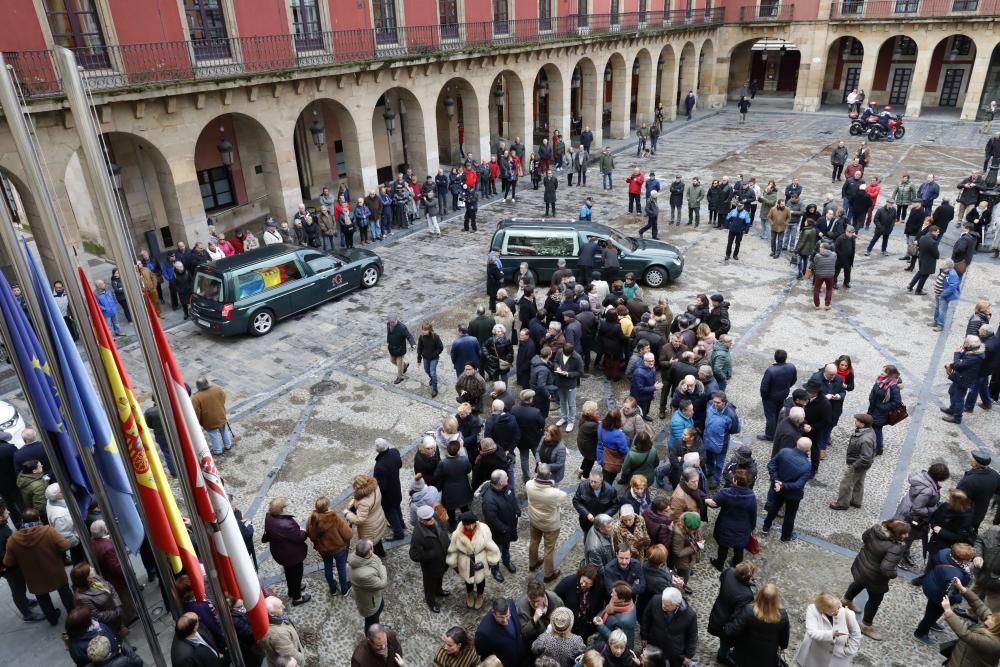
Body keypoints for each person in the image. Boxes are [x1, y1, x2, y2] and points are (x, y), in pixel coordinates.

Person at [2, 508, 73, 625]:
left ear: (22, 521)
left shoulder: (13, 540)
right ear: (39, 518)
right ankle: (73, 615)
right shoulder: (48, 531)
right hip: (55, 571)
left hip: (34, 577)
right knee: (65, 592)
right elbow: (65, 545)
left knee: (42, 598)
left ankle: (52, 619)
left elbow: (8, 562)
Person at [842, 519, 910, 640]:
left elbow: (864, 537)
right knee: (874, 601)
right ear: (895, 534)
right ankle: (866, 626)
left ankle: (846, 601)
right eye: (903, 533)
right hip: (875, 577)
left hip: (862, 565)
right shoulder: (896, 547)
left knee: (858, 583)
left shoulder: (875, 530)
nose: (907, 536)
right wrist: (894, 574)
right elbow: (886, 568)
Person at [915, 543, 975, 645]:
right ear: (963, 560)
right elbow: (950, 593)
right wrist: (958, 599)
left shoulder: (945, 552)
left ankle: (932, 623)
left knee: (932, 611)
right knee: (932, 614)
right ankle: (921, 633)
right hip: (938, 595)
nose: (970, 561)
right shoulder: (955, 575)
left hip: (933, 583)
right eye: (969, 559)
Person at [723, 583, 790, 667]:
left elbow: (732, 630)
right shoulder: (782, 616)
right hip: (767, 657)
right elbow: (784, 641)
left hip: (745, 653)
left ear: (760, 595)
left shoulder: (749, 611)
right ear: (776, 599)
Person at [261, 497, 311, 607]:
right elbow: (299, 537)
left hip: (280, 552)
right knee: (297, 574)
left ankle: (292, 590)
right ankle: (297, 598)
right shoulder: (286, 525)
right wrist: (303, 531)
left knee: (289, 572)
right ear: (283, 509)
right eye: (285, 506)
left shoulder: (269, 516)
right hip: (292, 555)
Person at [447, 512, 502, 610]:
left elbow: (490, 545)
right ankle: (469, 594)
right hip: (465, 562)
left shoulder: (484, 530)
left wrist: (491, 562)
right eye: (468, 524)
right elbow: (453, 549)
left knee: (481, 581)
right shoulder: (456, 534)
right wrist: (454, 564)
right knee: (468, 581)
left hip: (480, 560)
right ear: (463, 524)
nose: (471, 527)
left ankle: (480, 596)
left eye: (473, 523)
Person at [761, 438, 812, 541]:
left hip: (777, 488)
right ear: (808, 450)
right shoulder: (807, 466)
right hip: (792, 494)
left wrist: (776, 481)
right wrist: (783, 485)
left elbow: (771, 465)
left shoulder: (784, 451)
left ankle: (765, 527)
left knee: (773, 508)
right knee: (790, 515)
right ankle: (785, 536)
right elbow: (798, 485)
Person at [705, 468, 757, 569]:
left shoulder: (725, 493)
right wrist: (753, 528)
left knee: (723, 547)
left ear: (736, 481)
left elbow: (714, 504)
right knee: (739, 549)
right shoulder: (751, 496)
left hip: (725, 526)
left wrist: (705, 500)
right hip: (743, 528)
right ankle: (736, 566)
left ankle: (719, 564)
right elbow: (753, 514)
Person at [707, 560, 756, 665]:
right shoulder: (747, 594)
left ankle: (723, 653)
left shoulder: (729, 571)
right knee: (725, 641)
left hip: (717, 611)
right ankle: (722, 656)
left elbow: (721, 578)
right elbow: (737, 614)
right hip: (726, 621)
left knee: (722, 638)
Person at [941, 577, 1000, 664]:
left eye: (993, 619)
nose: (989, 617)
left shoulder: (993, 644)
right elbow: (980, 606)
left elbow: (966, 635)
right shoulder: (992, 625)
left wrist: (949, 612)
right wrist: (963, 589)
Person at [526, 464, 567, 582]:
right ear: (549, 476)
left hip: (534, 520)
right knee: (549, 549)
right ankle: (548, 575)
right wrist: (552, 483)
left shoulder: (529, 485)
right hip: (550, 525)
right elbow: (563, 496)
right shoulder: (555, 493)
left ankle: (533, 563)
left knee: (534, 541)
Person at [795, 593, 861, 666]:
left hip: (838, 659)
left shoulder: (848, 614)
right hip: (814, 656)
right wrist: (832, 634)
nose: (837, 612)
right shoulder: (813, 610)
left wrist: (849, 651)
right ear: (823, 610)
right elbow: (812, 633)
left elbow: (856, 634)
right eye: (832, 612)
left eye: (838, 608)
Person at [305, 495, 353, 596]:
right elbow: (348, 534)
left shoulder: (311, 519)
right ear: (327, 507)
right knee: (341, 568)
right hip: (338, 549)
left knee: (327, 567)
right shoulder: (334, 518)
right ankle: (344, 589)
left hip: (323, 550)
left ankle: (333, 589)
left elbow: (311, 536)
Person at [829, 414, 876, 510]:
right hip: (863, 465)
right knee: (859, 482)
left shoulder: (865, 439)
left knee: (846, 483)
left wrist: (854, 466)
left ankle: (842, 504)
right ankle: (856, 501)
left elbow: (865, 457)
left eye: (857, 420)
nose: (855, 421)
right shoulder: (869, 431)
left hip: (858, 464)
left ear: (862, 424)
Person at [409, 503, 451, 613]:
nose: (431, 520)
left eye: (431, 517)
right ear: (421, 520)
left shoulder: (434, 517)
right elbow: (414, 555)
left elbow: (443, 526)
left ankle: (439, 590)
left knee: (440, 577)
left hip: (443, 560)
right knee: (429, 584)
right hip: (431, 567)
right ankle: (430, 601)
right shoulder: (418, 535)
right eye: (427, 519)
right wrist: (431, 554)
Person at [641, 587, 698, 664]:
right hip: (655, 645)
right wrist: (644, 636)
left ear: (676, 605)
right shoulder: (655, 600)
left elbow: (692, 636)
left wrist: (688, 655)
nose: (663, 606)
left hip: (674, 651)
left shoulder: (690, 615)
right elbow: (646, 618)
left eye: (667, 605)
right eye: (663, 602)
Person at [480, 469, 520, 576]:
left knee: (506, 547)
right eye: (506, 477)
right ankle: (495, 569)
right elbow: (491, 519)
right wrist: (504, 529)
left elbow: (513, 499)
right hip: (498, 532)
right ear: (500, 482)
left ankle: (506, 561)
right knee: (496, 551)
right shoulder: (489, 500)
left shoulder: (507, 488)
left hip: (508, 527)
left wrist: (517, 510)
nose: (508, 478)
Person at [69, 562, 122, 633]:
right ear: (86, 578)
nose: (93, 568)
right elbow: (96, 616)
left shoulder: (95, 578)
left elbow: (110, 587)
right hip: (106, 626)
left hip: (115, 615)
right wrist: (116, 613)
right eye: (90, 569)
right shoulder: (81, 598)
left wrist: (118, 605)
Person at [943, 335, 985, 424]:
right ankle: (952, 409)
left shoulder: (975, 357)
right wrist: (962, 351)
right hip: (960, 377)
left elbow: (959, 365)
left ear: (969, 345)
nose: (964, 343)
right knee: (952, 391)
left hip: (964, 380)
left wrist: (957, 353)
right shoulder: (973, 350)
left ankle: (957, 417)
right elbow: (964, 357)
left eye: (965, 342)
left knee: (959, 398)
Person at [347, 539, 387, 632]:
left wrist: (368, 545)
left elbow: (372, 556)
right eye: (371, 550)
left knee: (375, 617)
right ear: (369, 552)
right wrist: (382, 567)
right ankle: (370, 638)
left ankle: (375, 629)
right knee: (371, 622)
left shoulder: (357, 555)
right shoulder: (364, 575)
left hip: (374, 597)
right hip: (370, 603)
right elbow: (382, 583)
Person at [758, 349, 798, 441]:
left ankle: (770, 435)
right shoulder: (791, 367)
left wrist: (764, 397)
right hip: (783, 394)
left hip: (771, 397)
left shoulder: (771, 370)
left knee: (771, 416)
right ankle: (776, 430)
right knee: (777, 413)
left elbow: (764, 387)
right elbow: (794, 380)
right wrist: (787, 387)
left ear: (775, 358)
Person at [958, 448, 1000, 533]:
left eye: (973, 459)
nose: (971, 459)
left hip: (965, 516)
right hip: (980, 514)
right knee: (973, 532)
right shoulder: (995, 475)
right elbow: (997, 491)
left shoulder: (968, 481)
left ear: (975, 464)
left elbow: (958, 500)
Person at [345, 474, 388, 556]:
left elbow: (359, 520)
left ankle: (373, 560)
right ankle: (382, 553)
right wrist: (355, 500)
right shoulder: (375, 487)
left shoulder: (363, 502)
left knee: (369, 546)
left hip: (369, 527)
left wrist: (347, 514)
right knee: (377, 540)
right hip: (378, 517)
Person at [475, 597, 523, 667]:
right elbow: (482, 653)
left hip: (520, 655)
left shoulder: (511, 603)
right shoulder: (483, 633)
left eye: (507, 616)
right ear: (493, 612)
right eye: (501, 617)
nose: (505, 621)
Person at [866, 364, 902, 455]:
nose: (882, 372)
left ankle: (878, 448)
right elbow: (874, 389)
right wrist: (871, 398)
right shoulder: (880, 379)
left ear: (890, 374)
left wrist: (883, 407)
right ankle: (872, 445)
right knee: (871, 427)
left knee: (877, 429)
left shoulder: (893, 386)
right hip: (873, 408)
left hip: (881, 413)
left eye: (884, 371)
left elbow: (897, 402)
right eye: (882, 370)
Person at [373, 438, 405, 541]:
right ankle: (401, 524)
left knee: (391, 513)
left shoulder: (380, 466)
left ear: (377, 450)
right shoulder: (395, 452)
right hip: (396, 487)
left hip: (388, 496)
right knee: (397, 507)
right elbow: (400, 464)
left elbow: (382, 486)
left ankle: (398, 533)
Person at [595, 581, 639, 652]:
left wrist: (600, 626)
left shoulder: (625, 621)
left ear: (622, 599)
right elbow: (607, 611)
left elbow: (617, 639)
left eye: (614, 594)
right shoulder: (626, 602)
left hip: (612, 649)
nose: (611, 594)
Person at [259, 596, 304, 666]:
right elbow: (291, 655)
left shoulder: (273, 619)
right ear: (271, 613)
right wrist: (302, 660)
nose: (284, 607)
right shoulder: (278, 635)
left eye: (282, 604)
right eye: (280, 607)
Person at [191, 377, 231, 456]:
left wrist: (199, 422)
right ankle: (228, 445)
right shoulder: (218, 389)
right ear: (207, 383)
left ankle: (218, 450)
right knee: (224, 430)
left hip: (208, 420)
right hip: (221, 415)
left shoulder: (196, 398)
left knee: (213, 435)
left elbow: (196, 412)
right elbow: (223, 399)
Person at [386, 315, 416, 385]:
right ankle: (405, 365)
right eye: (390, 322)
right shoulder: (388, 324)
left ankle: (400, 377)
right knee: (392, 361)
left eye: (393, 322)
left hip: (400, 349)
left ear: (397, 320)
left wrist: (413, 344)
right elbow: (389, 333)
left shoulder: (402, 328)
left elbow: (409, 336)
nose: (391, 324)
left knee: (399, 364)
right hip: (392, 347)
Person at [934, 258, 962, 331]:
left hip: (943, 296)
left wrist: (942, 295)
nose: (941, 264)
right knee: (937, 308)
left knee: (942, 310)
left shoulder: (952, 274)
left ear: (947, 265)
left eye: (943, 263)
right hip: (938, 293)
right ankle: (935, 322)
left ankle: (940, 325)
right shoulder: (944, 270)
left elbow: (952, 287)